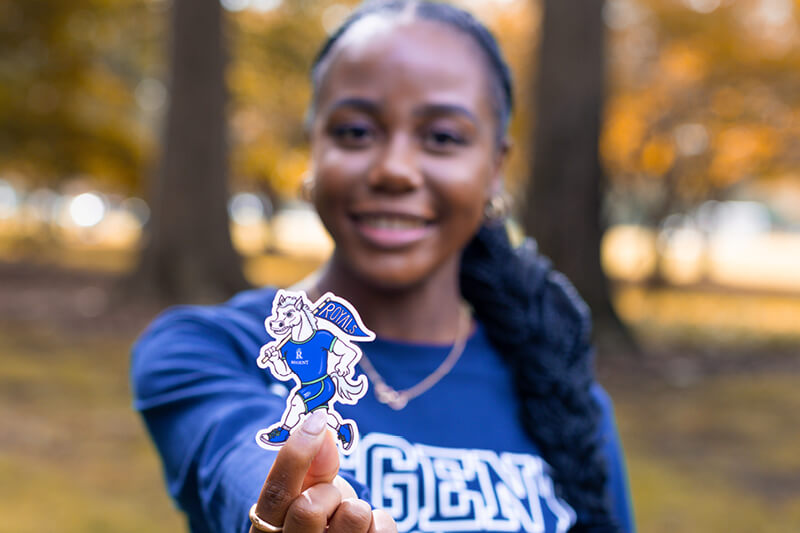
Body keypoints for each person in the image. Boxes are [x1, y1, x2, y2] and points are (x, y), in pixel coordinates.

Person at [131, 1, 635, 532]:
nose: (394, 170)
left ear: (495, 169)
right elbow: (236, 456)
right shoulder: (203, 350)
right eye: (354, 131)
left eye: (442, 137)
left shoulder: (561, 390)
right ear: (314, 150)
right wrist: (305, 501)